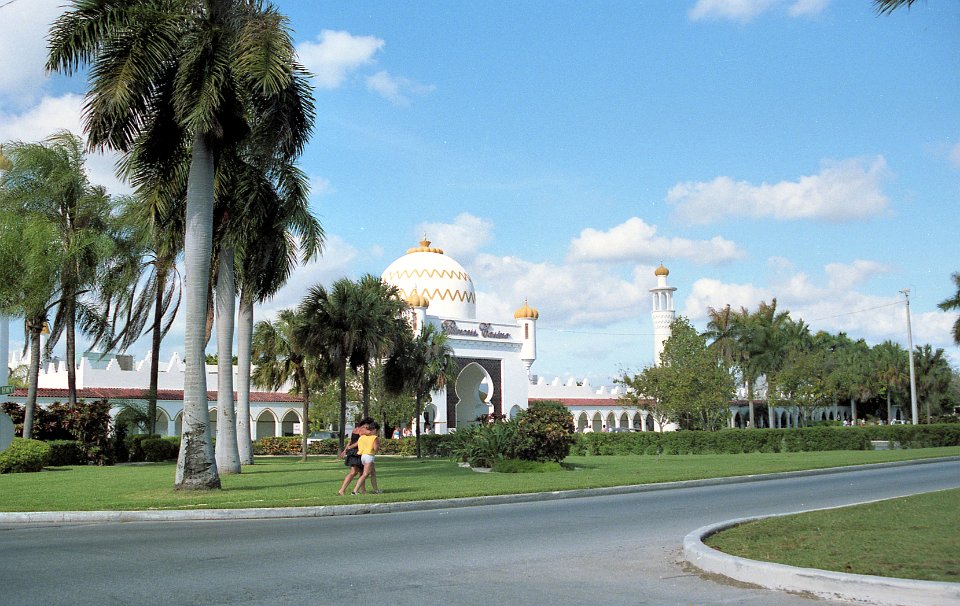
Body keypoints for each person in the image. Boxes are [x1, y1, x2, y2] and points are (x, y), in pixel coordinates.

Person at [338, 417, 373, 496]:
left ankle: (363, 490)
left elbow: (350, 441)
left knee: (361, 472)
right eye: (370, 425)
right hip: (356, 452)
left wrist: (345, 450)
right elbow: (358, 442)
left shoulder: (355, 429)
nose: (370, 427)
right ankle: (342, 490)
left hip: (353, 452)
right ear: (366, 424)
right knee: (354, 472)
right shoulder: (363, 430)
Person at [353, 421, 381, 495]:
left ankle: (376, 490)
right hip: (369, 456)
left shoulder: (362, 437)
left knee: (373, 473)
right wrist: (378, 446)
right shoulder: (374, 438)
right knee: (365, 474)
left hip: (363, 456)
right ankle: (355, 491)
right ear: (375, 430)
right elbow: (375, 448)